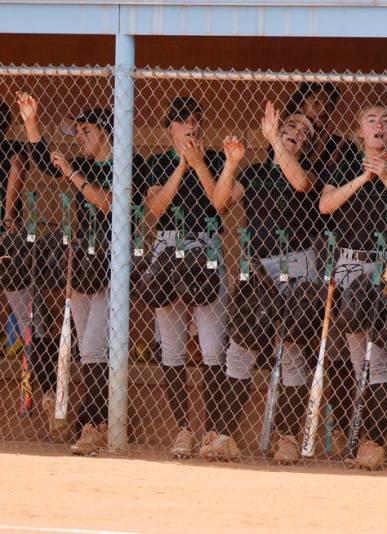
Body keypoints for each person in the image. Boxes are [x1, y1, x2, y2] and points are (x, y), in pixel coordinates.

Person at [16, 91, 145, 455]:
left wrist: (73, 174)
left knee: (91, 347)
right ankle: (95, 423)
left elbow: (107, 203)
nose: (81, 138)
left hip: (113, 266)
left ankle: (95, 426)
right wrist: (31, 123)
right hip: (84, 267)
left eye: (86, 131)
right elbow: (45, 163)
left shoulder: (126, 163)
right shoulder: (83, 166)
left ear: (105, 132)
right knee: (89, 348)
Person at [201, 101, 320, 463]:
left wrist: (275, 140)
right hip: (260, 268)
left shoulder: (309, 169)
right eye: (293, 125)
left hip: (298, 265)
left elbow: (299, 183)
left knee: (292, 352)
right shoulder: (254, 173)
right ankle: (224, 435)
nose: (298, 131)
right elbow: (219, 203)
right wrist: (232, 163)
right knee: (240, 349)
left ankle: (286, 437)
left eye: (306, 132)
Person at [318, 103, 387, 468]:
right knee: (360, 357)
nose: (379, 125)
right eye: (371, 120)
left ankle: (373, 443)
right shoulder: (345, 163)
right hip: (351, 262)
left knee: (383, 357)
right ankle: (357, 436)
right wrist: (362, 178)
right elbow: (326, 205)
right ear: (359, 131)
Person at [140, 97, 231, 459]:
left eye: (195, 119)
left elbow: (219, 203)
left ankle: (210, 431)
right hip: (168, 244)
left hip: (205, 245)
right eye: (181, 121)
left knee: (212, 348)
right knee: (172, 348)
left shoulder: (217, 159)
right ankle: (183, 429)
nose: (189, 126)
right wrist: (181, 165)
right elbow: (156, 208)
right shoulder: (158, 161)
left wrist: (198, 165)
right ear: (170, 128)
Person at [1, 101, 60, 439]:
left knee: (30, 322)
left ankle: (52, 393)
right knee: (29, 323)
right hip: (9, 235)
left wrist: (8, 215)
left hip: (8, 239)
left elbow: (17, 166)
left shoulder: (10, 147)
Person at [285, 82, 353, 178]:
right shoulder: (285, 138)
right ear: (301, 106)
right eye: (316, 102)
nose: (323, 109)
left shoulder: (343, 145)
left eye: (329, 104)